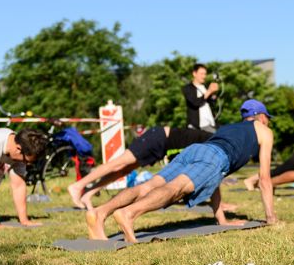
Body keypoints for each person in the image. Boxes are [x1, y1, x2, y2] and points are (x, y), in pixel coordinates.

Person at [85, 100, 278, 242]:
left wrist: (222, 219)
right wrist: (271, 219)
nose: (267, 121)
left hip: (195, 150)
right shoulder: (264, 131)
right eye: (267, 118)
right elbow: (264, 179)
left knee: (149, 185)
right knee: (177, 188)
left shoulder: (229, 128)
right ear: (261, 116)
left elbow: (217, 178)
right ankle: (128, 214)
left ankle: (100, 212)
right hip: (215, 157)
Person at [68, 127, 213, 209]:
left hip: (161, 147)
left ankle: (88, 194)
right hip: (158, 138)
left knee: (124, 170)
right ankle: (77, 186)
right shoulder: (213, 140)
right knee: (118, 163)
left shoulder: (212, 142)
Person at [182, 63, 218, 133]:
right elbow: (195, 102)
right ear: (194, 74)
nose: (204, 76)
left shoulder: (206, 87)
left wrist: (213, 95)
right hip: (196, 127)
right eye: (201, 74)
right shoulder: (188, 88)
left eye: (205, 74)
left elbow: (213, 104)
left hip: (210, 124)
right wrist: (209, 91)